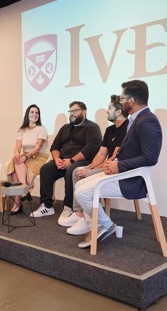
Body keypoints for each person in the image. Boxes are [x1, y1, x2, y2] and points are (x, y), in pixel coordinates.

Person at [74, 80, 162, 248]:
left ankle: (106, 226)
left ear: (131, 101)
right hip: (122, 174)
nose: (120, 102)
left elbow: (150, 157)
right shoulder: (137, 120)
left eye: (122, 98)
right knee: (80, 186)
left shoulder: (147, 121)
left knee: (83, 193)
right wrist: (113, 163)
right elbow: (131, 152)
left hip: (132, 181)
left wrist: (119, 166)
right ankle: (101, 225)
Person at [59, 95, 128, 234]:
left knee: (80, 173)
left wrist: (90, 171)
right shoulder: (110, 130)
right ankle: (79, 214)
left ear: (119, 112)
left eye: (109, 108)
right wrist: (89, 167)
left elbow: (115, 158)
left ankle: (87, 218)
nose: (106, 111)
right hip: (107, 166)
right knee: (78, 170)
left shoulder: (127, 128)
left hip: (116, 169)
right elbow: (101, 154)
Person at [30, 101, 102, 219]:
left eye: (75, 111)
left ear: (84, 112)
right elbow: (55, 146)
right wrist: (57, 158)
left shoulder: (92, 127)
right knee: (46, 169)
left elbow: (91, 149)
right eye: (70, 111)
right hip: (63, 161)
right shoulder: (65, 128)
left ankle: (69, 207)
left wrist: (71, 161)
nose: (72, 114)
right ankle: (47, 206)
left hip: (83, 162)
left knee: (71, 171)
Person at [6, 104, 49, 214]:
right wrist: (17, 154)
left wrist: (24, 157)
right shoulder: (22, 130)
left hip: (38, 157)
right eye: (32, 112)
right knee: (16, 161)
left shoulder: (42, 129)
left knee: (20, 164)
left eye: (37, 113)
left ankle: (18, 201)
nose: (35, 114)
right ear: (27, 114)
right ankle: (23, 190)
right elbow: (17, 148)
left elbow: (37, 148)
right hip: (25, 155)